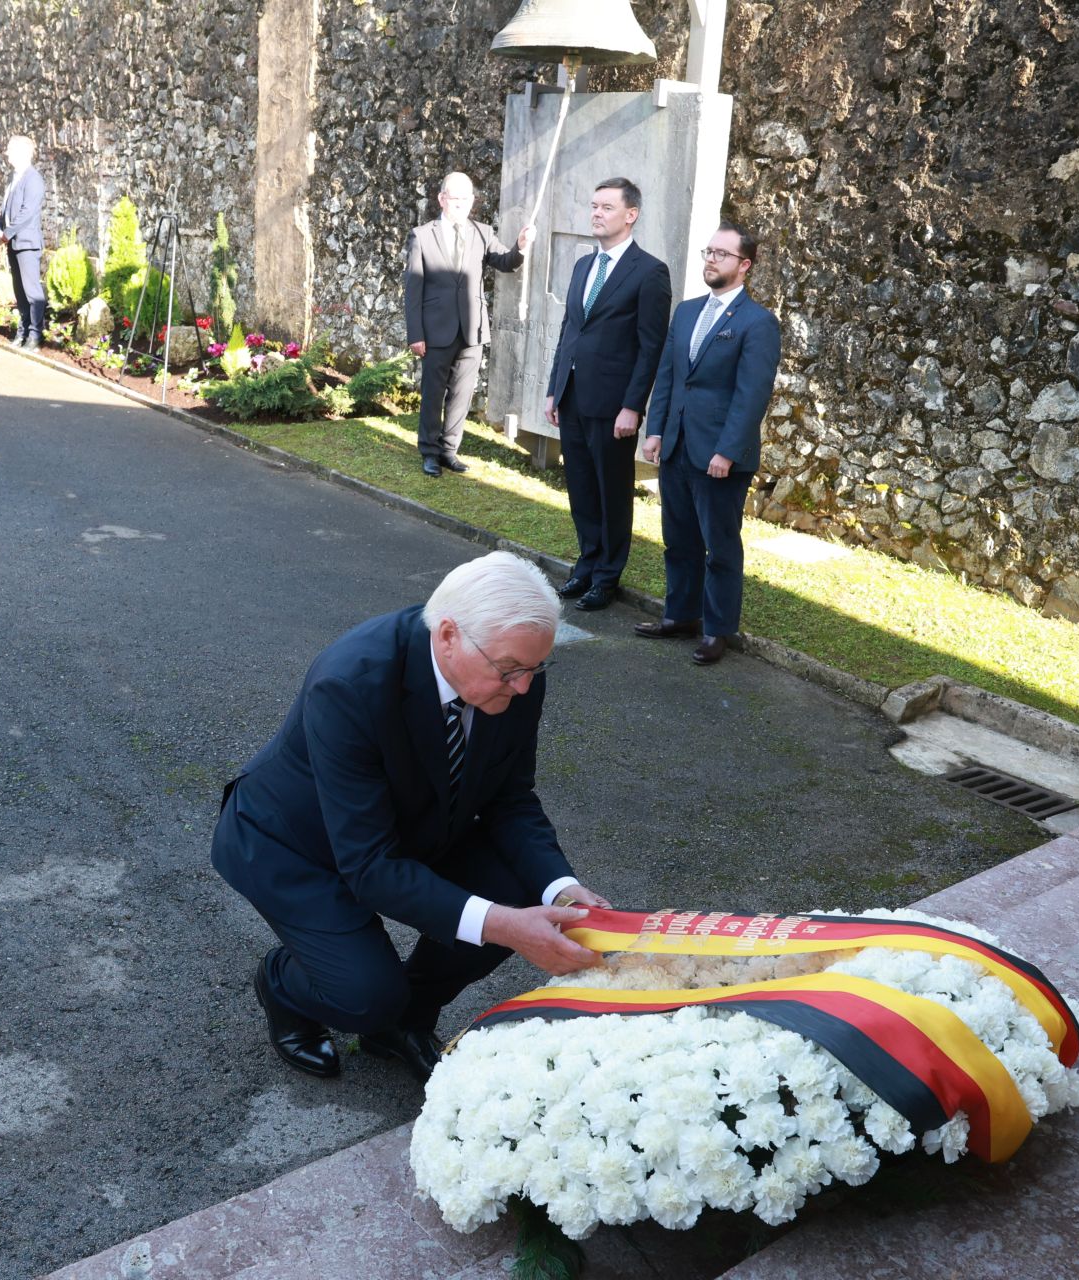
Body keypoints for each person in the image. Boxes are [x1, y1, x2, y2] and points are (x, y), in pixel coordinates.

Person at [212, 550, 610, 1082]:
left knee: (524, 886)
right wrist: (505, 927)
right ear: (448, 635)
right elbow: (371, 864)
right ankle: (284, 984)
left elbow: (509, 798)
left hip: (407, 825)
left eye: (535, 669)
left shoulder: (514, 669)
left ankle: (401, 1023)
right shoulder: (351, 682)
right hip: (296, 846)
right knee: (365, 993)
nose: (523, 687)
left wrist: (560, 888)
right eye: (510, 670)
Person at [637, 223, 782, 666]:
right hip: (678, 446)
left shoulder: (758, 324)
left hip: (719, 455)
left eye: (722, 254)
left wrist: (727, 450)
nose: (711, 260)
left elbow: (751, 394)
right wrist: (655, 429)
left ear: (744, 265)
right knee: (677, 538)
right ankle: (681, 615)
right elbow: (668, 376)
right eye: (708, 251)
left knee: (719, 545)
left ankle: (718, 628)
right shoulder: (686, 312)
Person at [545, 178, 672, 613]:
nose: (596, 213)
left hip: (614, 404)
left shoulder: (650, 272)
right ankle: (586, 563)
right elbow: (569, 331)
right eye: (593, 205)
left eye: (606, 207)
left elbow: (651, 345)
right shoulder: (584, 266)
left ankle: (607, 577)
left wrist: (633, 406)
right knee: (580, 488)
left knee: (612, 491)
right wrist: (553, 389)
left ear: (630, 214)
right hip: (573, 397)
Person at [402, 172, 533, 478]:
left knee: (462, 394)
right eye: (454, 198)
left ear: (472, 201)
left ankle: (449, 451)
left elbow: (505, 261)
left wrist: (522, 246)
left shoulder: (482, 232)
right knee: (433, 394)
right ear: (441, 199)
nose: (460, 203)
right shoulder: (421, 236)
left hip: (472, 331)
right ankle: (430, 452)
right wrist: (415, 334)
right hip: (435, 331)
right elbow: (413, 290)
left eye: (466, 198)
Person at [0, 134, 44, 348]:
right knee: (19, 291)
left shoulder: (33, 178)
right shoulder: (13, 177)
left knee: (32, 291)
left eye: (11, 150)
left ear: (23, 152)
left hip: (26, 243)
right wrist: (0, 228)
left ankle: (35, 334)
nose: (7, 154)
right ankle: (23, 330)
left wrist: (7, 232)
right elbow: (6, 207)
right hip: (13, 243)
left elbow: (27, 212)